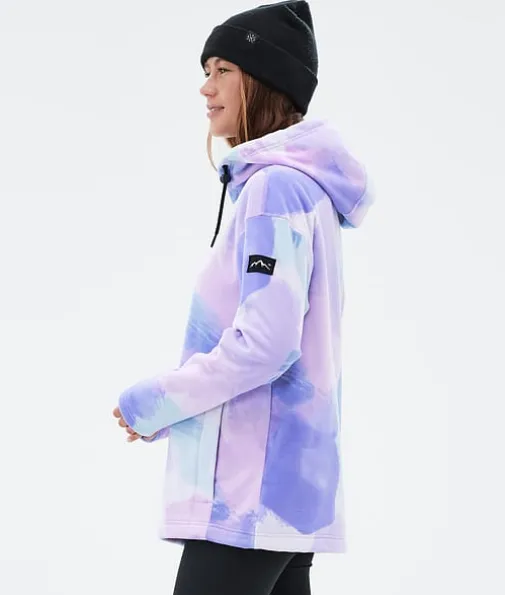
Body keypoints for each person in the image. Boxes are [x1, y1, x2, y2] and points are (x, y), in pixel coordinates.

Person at [112, 1, 373, 593]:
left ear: (263, 80)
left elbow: (265, 344)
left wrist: (155, 402)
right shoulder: (305, 190)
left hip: (248, 494)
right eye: (206, 71)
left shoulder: (275, 189)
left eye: (223, 70)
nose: (206, 88)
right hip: (284, 491)